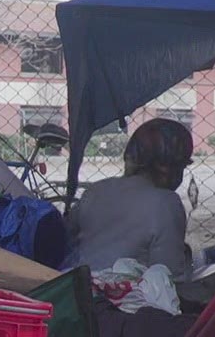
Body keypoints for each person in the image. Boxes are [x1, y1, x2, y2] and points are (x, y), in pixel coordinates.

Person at [65, 118, 192, 276]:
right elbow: (170, 273)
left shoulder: (95, 190)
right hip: (122, 296)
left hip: (75, 288)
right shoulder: (167, 203)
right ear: (172, 169)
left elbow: (68, 239)